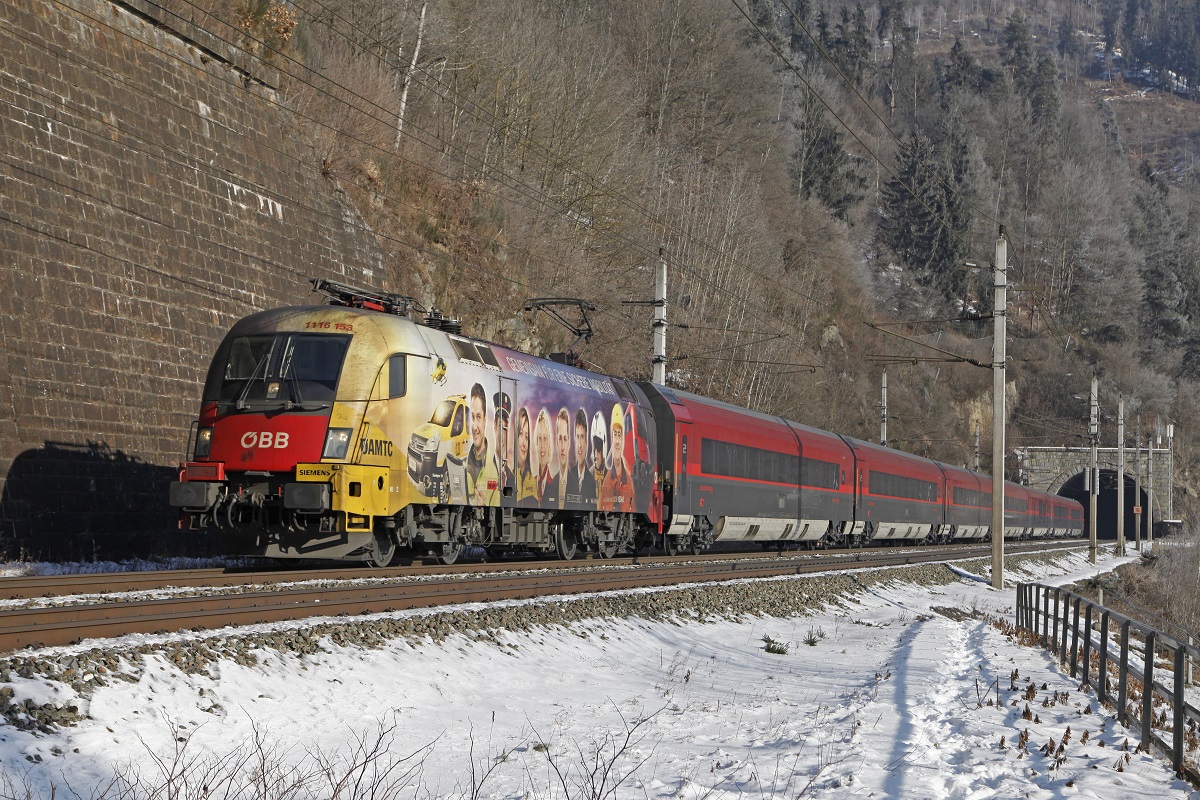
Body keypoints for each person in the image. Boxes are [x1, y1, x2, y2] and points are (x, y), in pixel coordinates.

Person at [601, 403, 633, 512]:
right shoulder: (607, 480)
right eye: (615, 435)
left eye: (619, 435)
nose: (617, 442)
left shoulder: (629, 481)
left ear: (623, 440)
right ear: (611, 439)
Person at [464, 383, 490, 504]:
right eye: (472, 417)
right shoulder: (463, 465)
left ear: (485, 420)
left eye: (478, 417)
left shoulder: (494, 468)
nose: (474, 427)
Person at [566, 408, 597, 506]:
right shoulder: (569, 476)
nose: (580, 444)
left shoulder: (591, 481)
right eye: (577, 437)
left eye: (582, 437)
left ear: (587, 442)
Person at [489, 391, 514, 502]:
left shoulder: (512, 478)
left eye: (506, 428)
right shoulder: (485, 468)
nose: (503, 435)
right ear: (494, 425)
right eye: (500, 426)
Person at [515, 407, 538, 506]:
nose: (524, 443)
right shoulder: (508, 477)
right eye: (521, 434)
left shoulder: (532, 481)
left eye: (527, 437)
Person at [535, 409, 554, 505]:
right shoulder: (532, 481)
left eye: (545, 438)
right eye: (539, 438)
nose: (542, 445)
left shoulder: (555, 484)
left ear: (549, 444)